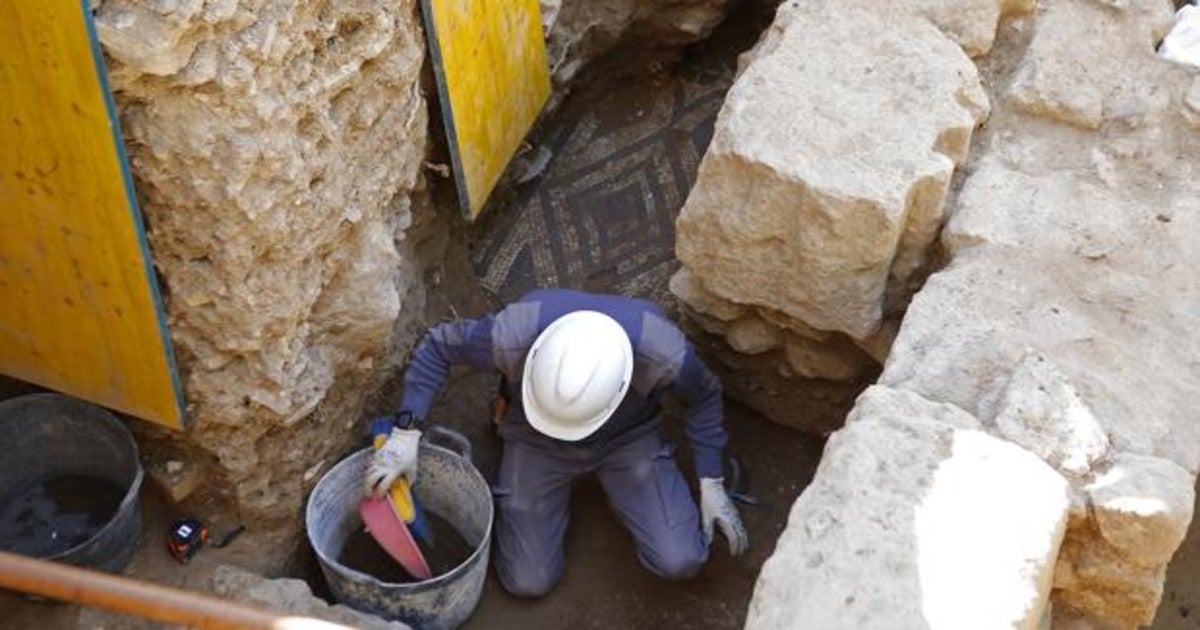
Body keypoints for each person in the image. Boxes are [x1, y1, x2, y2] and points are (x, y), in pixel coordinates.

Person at [364, 289, 748, 597]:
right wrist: (405, 433)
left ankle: (634, 493)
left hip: (626, 438)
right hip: (535, 440)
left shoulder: (662, 353)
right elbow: (438, 347)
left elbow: (705, 396)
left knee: (681, 559)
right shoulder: (513, 335)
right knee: (527, 582)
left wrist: (711, 483)